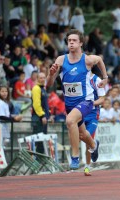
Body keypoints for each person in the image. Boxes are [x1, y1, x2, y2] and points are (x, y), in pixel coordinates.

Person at [46, 29, 108, 170]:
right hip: (70, 104)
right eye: (69, 41)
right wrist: (50, 75)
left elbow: (100, 60)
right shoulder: (61, 60)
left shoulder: (87, 59)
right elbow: (49, 84)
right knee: (82, 134)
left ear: (80, 43)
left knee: (69, 121)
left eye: (74, 40)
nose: (71, 43)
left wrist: (105, 78)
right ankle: (93, 144)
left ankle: (75, 157)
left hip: (85, 101)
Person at [84, 73, 105, 176]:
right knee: (81, 136)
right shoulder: (78, 77)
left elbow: (102, 99)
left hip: (92, 113)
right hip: (80, 112)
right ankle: (94, 144)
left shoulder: (96, 79)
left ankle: (87, 167)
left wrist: (90, 104)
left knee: (87, 136)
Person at [31, 72, 53, 153]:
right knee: (38, 140)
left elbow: (45, 104)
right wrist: (42, 115)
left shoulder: (43, 88)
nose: (43, 79)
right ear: (37, 79)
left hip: (43, 118)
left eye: (44, 77)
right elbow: (36, 104)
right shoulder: (36, 88)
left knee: (42, 140)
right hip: (38, 118)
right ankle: (36, 161)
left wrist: (49, 115)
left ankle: (40, 160)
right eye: (40, 78)